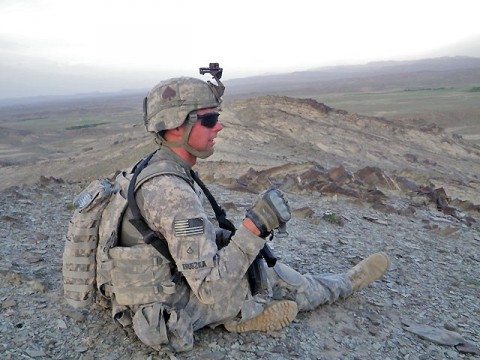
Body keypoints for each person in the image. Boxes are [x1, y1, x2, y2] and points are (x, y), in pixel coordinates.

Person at [97, 65, 390, 352]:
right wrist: (254, 230)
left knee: (252, 263)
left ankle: (246, 311)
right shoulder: (173, 194)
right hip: (170, 311)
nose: (219, 126)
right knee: (273, 278)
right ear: (176, 127)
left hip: (138, 295)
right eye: (209, 120)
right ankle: (336, 287)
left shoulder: (151, 168)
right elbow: (210, 289)